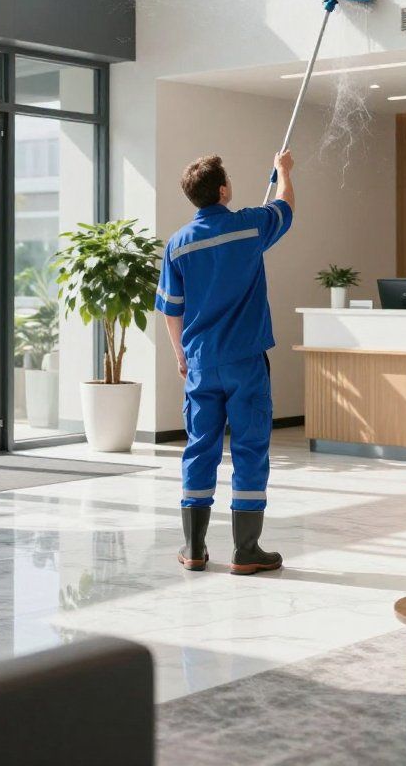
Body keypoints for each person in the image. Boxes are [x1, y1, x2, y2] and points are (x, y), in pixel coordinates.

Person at [155, 150, 294, 576]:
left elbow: (170, 310)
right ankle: (246, 550)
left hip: (200, 363)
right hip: (245, 361)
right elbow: (286, 206)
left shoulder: (177, 245)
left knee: (200, 449)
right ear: (222, 190)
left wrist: (181, 355)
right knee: (250, 447)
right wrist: (283, 171)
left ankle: (194, 548)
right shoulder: (249, 226)